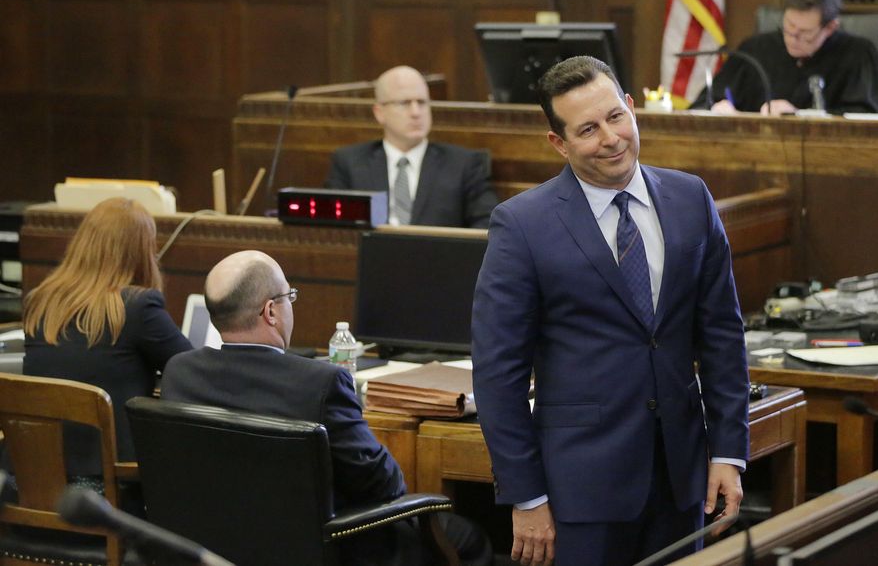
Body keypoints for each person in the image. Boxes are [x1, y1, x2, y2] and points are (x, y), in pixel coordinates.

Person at [471, 56, 750, 566]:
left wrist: (729, 452)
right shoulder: (522, 225)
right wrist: (526, 497)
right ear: (559, 142)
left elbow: (722, 334)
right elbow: (497, 374)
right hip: (579, 491)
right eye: (587, 129)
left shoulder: (692, 199)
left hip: (682, 477)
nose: (610, 138)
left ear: (632, 107)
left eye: (615, 117)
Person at [161, 250, 491, 566]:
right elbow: (382, 485)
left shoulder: (179, 373)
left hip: (215, 545)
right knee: (469, 540)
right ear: (271, 312)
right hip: (325, 549)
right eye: (289, 297)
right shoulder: (320, 383)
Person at [21, 197, 192, 480]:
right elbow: (191, 371)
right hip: (107, 495)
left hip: (31, 485)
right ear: (141, 252)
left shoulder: (40, 301)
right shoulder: (139, 307)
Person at [325, 65, 498, 228]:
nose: (416, 113)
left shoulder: (463, 164)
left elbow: (487, 224)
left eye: (422, 102)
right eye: (404, 103)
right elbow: (333, 228)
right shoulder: (350, 163)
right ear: (379, 113)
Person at [690, 0, 878, 115]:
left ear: (830, 27)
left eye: (804, 33)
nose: (792, 38)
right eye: (789, 26)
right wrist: (717, 107)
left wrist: (797, 114)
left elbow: (863, 118)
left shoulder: (858, 54)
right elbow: (702, 103)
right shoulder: (754, 50)